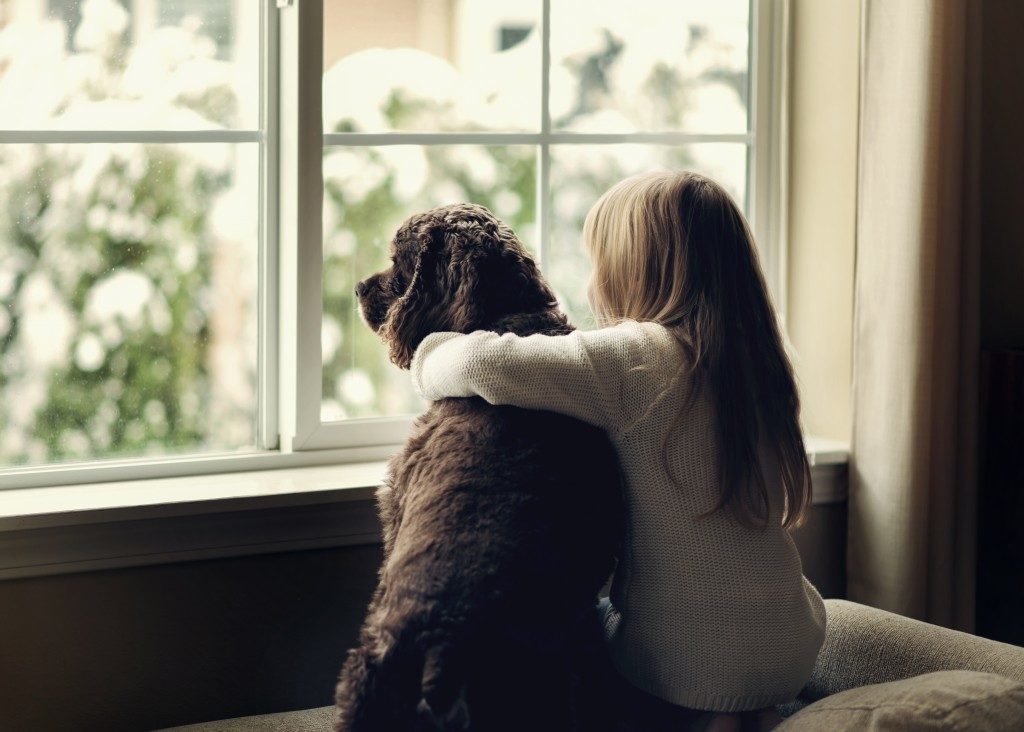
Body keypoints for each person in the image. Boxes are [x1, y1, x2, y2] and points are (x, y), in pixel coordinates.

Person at [410, 171, 826, 731]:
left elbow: (480, 364)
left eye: (599, 263)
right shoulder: (766, 359)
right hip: (792, 641)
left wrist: (428, 348)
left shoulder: (637, 359)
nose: (591, 284)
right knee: (731, 628)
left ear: (636, 269)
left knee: (588, 627)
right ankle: (750, 707)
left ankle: (709, 707)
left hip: (685, 658)